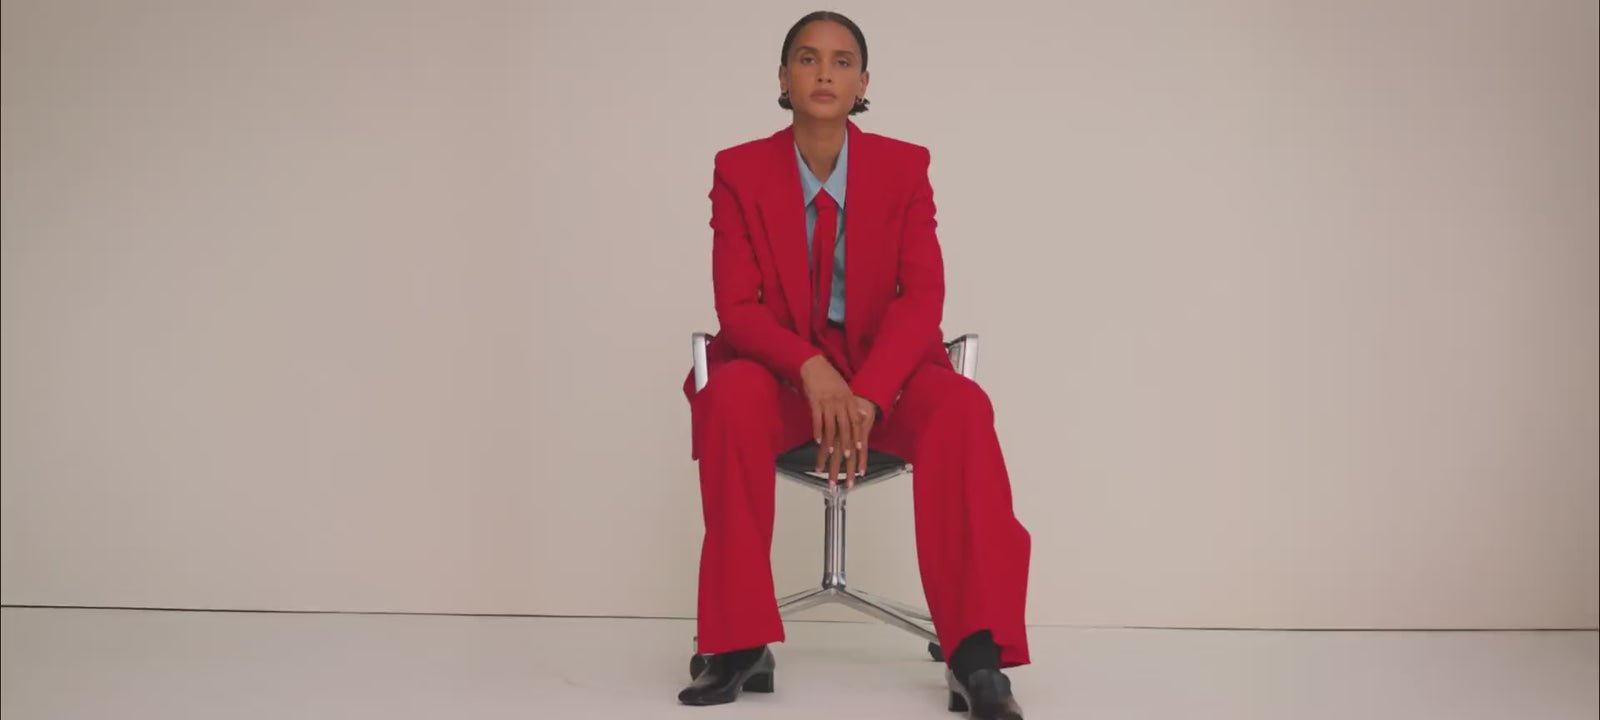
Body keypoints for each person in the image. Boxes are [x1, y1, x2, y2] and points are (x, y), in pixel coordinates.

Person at [679, 11, 1030, 719]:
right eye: (807, 58)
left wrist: (867, 392)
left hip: (885, 382)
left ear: (863, 83)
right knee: (731, 397)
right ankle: (739, 643)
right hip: (783, 377)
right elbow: (738, 307)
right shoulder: (738, 170)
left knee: (963, 408)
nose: (824, 73)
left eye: (842, 62)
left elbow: (922, 297)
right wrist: (811, 368)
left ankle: (975, 653)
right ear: (783, 78)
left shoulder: (905, 167)